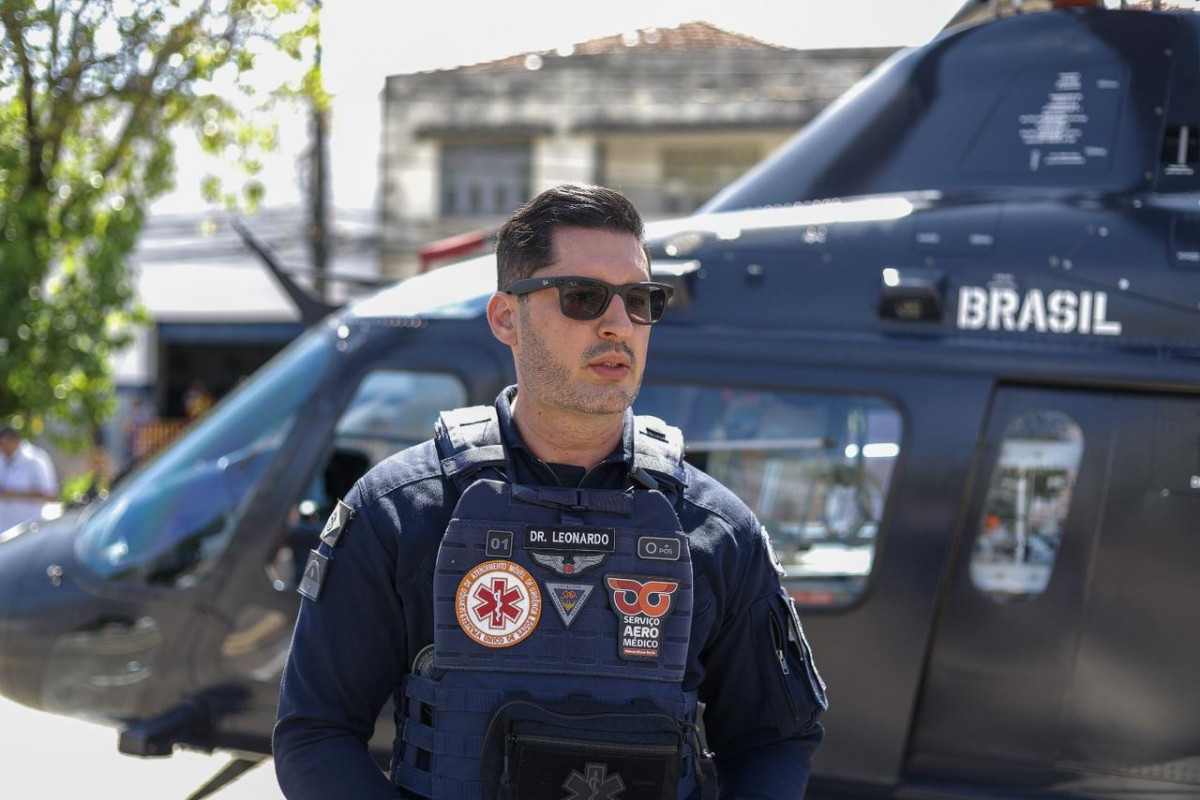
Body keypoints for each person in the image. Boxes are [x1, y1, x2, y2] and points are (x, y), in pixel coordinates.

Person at [274, 185, 827, 799]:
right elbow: (315, 734)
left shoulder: (718, 531)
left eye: (639, 300)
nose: (618, 324)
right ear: (506, 317)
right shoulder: (399, 513)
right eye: (583, 297)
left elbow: (772, 741)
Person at [0, 423, 59, 532]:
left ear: (15, 440)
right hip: (3, 529)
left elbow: (49, 493)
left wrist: (13, 493)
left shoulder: (35, 459)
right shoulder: (2, 458)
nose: (3, 449)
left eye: (4, 444)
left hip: (27, 528)